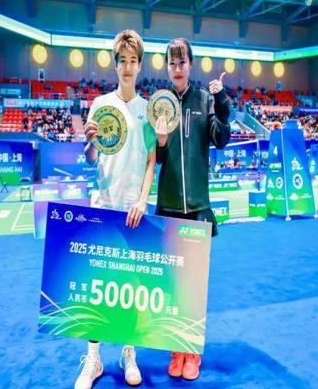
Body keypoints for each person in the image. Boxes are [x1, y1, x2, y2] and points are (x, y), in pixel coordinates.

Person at [76, 29, 157, 389]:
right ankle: (93, 359)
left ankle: (128, 352)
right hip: (103, 206)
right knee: (97, 286)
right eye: (122, 60)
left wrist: (142, 200)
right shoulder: (100, 104)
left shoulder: (147, 110)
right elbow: (91, 157)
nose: (127, 67)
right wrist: (88, 142)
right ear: (115, 64)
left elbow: (151, 161)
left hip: (133, 210)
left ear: (140, 66)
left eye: (133, 61)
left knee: (130, 287)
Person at [153, 37, 231, 381]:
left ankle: (192, 352)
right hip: (169, 207)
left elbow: (220, 139)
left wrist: (222, 101)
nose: (177, 68)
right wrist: (160, 141)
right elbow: (156, 158)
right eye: (172, 63)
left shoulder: (204, 98)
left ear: (191, 65)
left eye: (182, 62)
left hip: (198, 208)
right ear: (166, 67)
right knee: (172, 286)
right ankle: (176, 350)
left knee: (194, 286)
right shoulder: (160, 102)